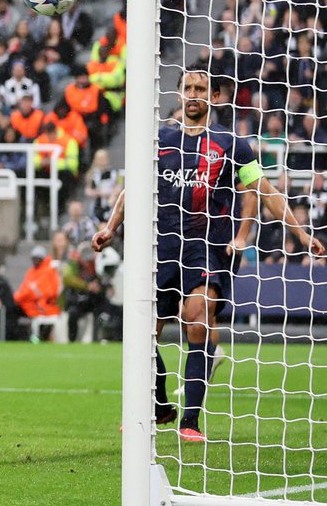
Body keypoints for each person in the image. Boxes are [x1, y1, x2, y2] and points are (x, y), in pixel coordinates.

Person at [93, 70, 324, 442]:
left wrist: (301, 233)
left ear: (214, 96)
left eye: (201, 89)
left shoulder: (231, 144)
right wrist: (110, 227)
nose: (195, 94)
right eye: (188, 88)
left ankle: (191, 420)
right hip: (161, 249)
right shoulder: (159, 139)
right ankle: (158, 405)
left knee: (196, 319)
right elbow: (132, 186)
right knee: (143, 334)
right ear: (180, 94)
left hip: (206, 250)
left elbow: (263, 190)